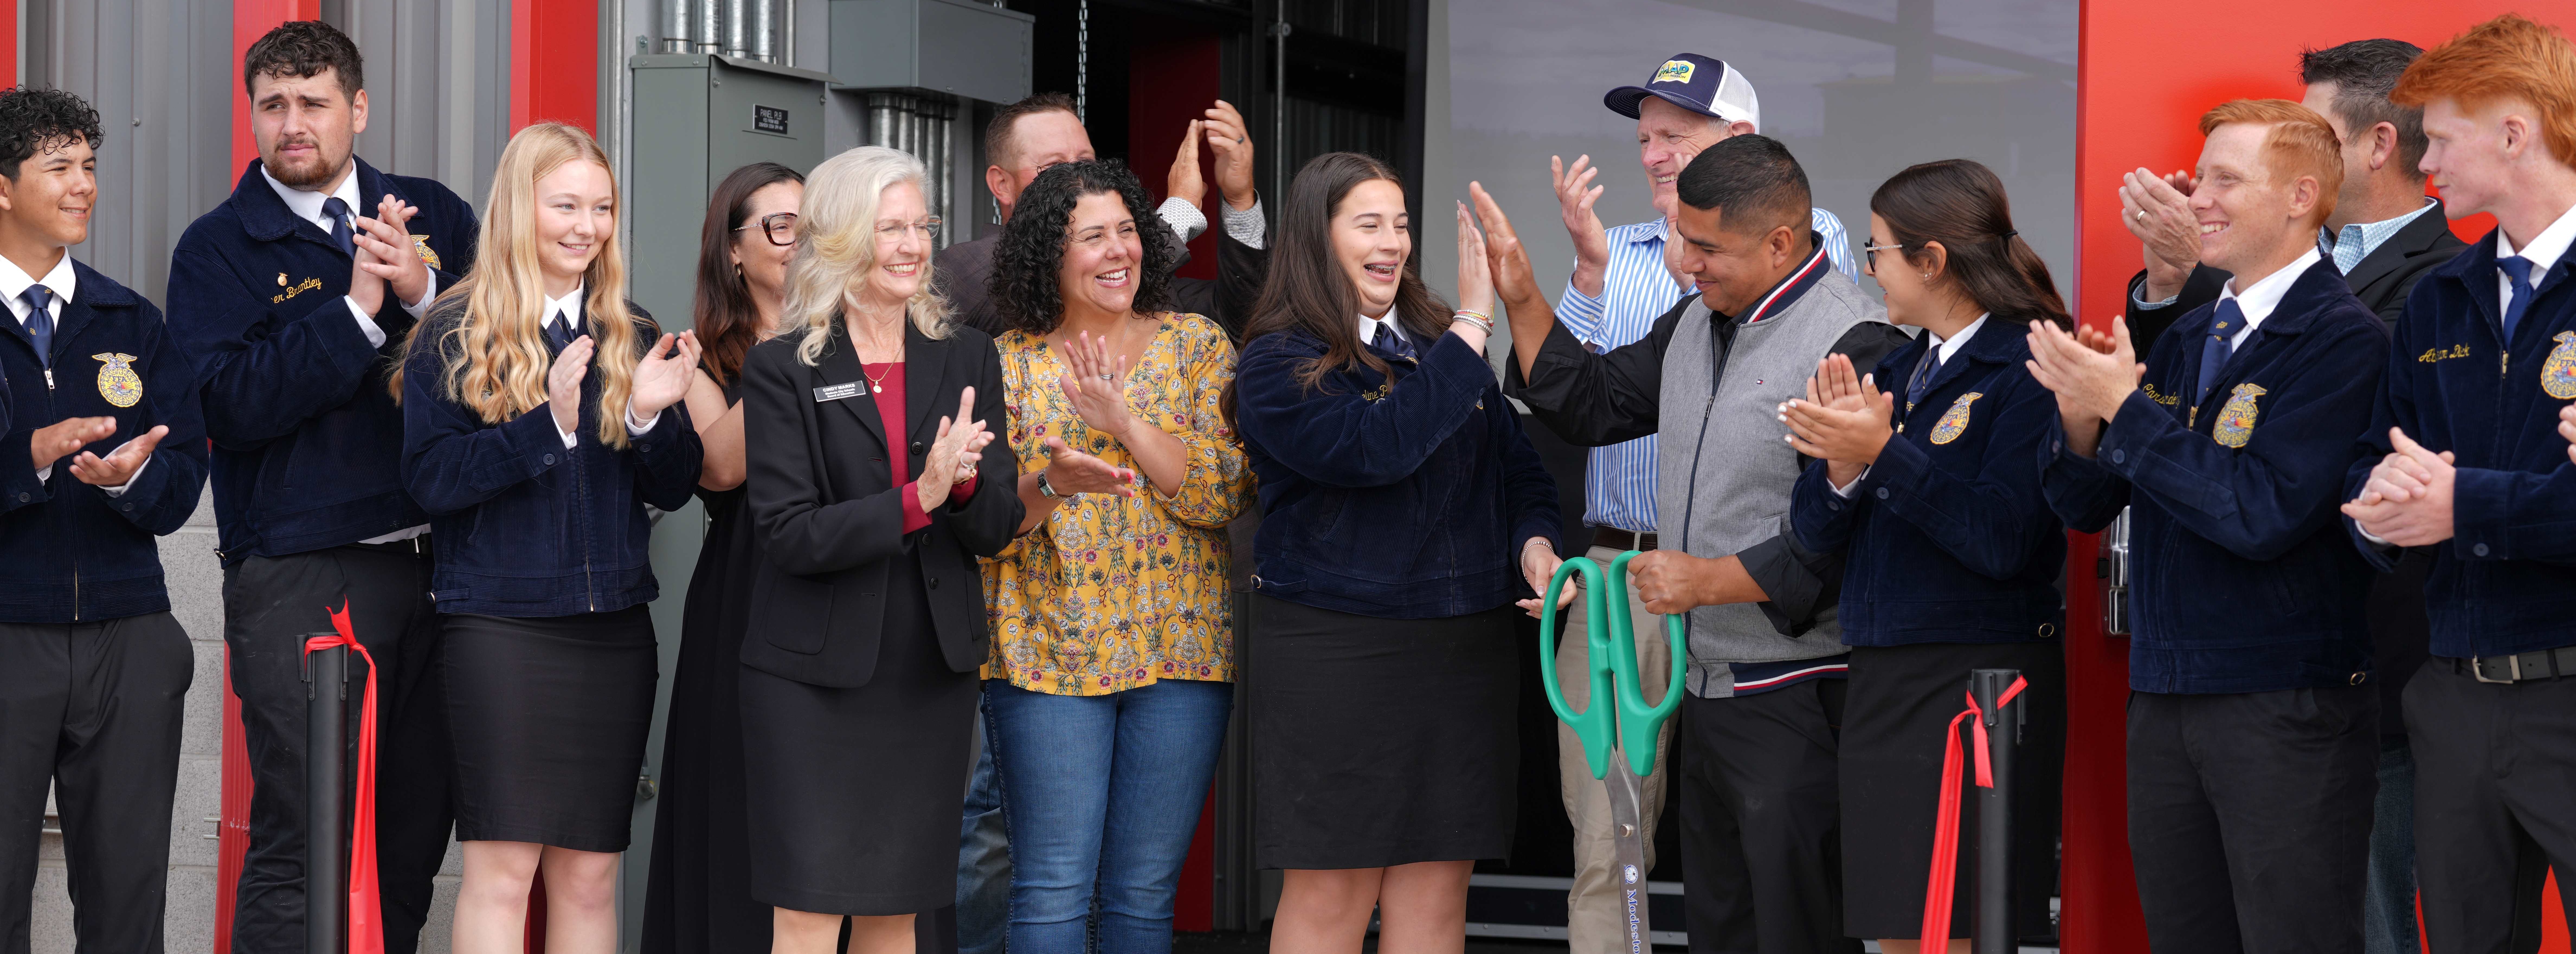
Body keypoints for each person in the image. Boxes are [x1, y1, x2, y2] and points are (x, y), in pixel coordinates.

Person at [1482, 132, 1907, 954]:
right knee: (1724, 925)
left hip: (1800, 691)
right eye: (1684, 239)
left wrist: (1706, 582)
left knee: (1795, 926)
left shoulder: (1857, 337)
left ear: (1781, 242)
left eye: (1708, 246)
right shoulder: (1700, 315)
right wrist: (1525, 296)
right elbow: (1592, 403)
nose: (1688, 261)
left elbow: (1840, 531)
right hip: (1705, 684)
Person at [2031, 99, 2385, 953]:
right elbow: (2084, 506)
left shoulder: (2347, 340)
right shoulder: (2191, 335)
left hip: (2281, 703)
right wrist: (2082, 421)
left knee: (2291, 935)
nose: (2199, 202)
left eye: (2227, 180)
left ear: (2303, 196)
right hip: (2165, 693)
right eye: (2203, 180)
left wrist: (2123, 405)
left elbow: (2258, 513)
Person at [164, 21, 479, 951]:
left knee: (414, 837)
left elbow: (497, 373)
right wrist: (354, 314)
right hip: (304, 572)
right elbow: (228, 404)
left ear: (359, 109)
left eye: (313, 103)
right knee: (305, 837)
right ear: (253, 116)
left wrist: (426, 293)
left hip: (446, 572)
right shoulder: (216, 249)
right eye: (273, 106)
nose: (292, 124)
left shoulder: (435, 216)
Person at [1540, 55, 1858, 947]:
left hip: (1757, 616)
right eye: (1643, 138)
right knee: (1618, 841)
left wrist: (1699, 254)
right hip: (1624, 577)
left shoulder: (1807, 247)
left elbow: (1828, 491)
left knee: (1775, 858)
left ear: (1740, 147)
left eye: (1675, 137)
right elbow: (1587, 399)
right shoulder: (1617, 250)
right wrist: (1573, 277)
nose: (1651, 156)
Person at [1228, 151, 1563, 954]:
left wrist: (1536, 544)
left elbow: (1519, 469)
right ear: (1318, 237)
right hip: (1337, 651)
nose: (1395, 242)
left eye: (1403, 224)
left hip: (1463, 651)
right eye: (1370, 224)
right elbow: (1379, 449)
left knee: (1437, 883)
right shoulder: (1276, 362)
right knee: (1333, 888)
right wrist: (1473, 327)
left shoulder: (1437, 344)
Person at [395, 121, 704, 953]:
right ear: (517, 212)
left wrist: (646, 414)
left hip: (613, 635)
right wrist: (547, 428)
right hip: (499, 629)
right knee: (503, 872)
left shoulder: (629, 328)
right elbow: (431, 481)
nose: (587, 226)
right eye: (565, 204)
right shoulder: (452, 332)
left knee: (591, 873)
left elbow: (677, 486)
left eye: (601, 208)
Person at [736, 144, 1022, 954]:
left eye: (919, 227)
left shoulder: (968, 355)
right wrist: (917, 498)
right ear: (838, 240)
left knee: (897, 910)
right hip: (811, 679)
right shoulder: (783, 367)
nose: (910, 245)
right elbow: (788, 532)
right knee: (811, 908)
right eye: (887, 228)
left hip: (927, 671)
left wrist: (961, 490)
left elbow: (997, 522)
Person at [1780, 159, 2067, 954]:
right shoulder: (1896, 368)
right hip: (1883, 674)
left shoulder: (2030, 363)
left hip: (1977, 681)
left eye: (1878, 252)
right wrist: (1842, 466)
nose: (1869, 271)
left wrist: (1887, 454)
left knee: (1964, 925)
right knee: (1897, 931)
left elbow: (2005, 540)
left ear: (1932, 258)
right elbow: (1812, 531)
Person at [977, 157, 1254, 954]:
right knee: (1053, 889)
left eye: (1126, 232)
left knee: (1141, 897)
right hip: (1046, 657)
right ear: (1049, 258)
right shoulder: (1010, 363)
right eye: (1091, 238)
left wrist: (1125, 421)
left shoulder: (1199, 346)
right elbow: (989, 524)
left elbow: (1223, 494)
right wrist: (1054, 484)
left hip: (1181, 656)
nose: (1117, 252)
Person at [2343, 15, 2576, 952]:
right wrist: (2380, 508)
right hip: (2451, 696)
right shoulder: (2443, 294)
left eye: (2440, 135)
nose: (2423, 157)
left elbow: (2461, 498)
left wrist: (2461, 505)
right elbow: (2376, 460)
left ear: (2513, 134)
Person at [0, 85, 208, 954]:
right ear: (4, 187)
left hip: (129, 634)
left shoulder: (131, 320)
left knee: (127, 906)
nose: (84, 185)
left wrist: (129, 482)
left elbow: (184, 476)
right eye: (60, 168)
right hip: (9, 632)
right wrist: (33, 458)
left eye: (90, 166)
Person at [642, 160, 803, 954]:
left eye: (813, 223)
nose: (801, 241)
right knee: (740, 816)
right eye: (780, 225)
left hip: (850, 590)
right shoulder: (697, 354)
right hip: (746, 601)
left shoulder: (865, 335)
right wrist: (808, 348)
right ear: (733, 252)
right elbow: (722, 467)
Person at [939, 92, 1269, 339]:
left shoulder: (1141, 280)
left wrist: (1239, 198)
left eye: (1086, 162)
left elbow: (1246, 318)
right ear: (1002, 184)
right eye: (1054, 166)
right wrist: (1180, 209)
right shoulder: (965, 268)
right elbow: (1039, 284)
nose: (1074, 179)